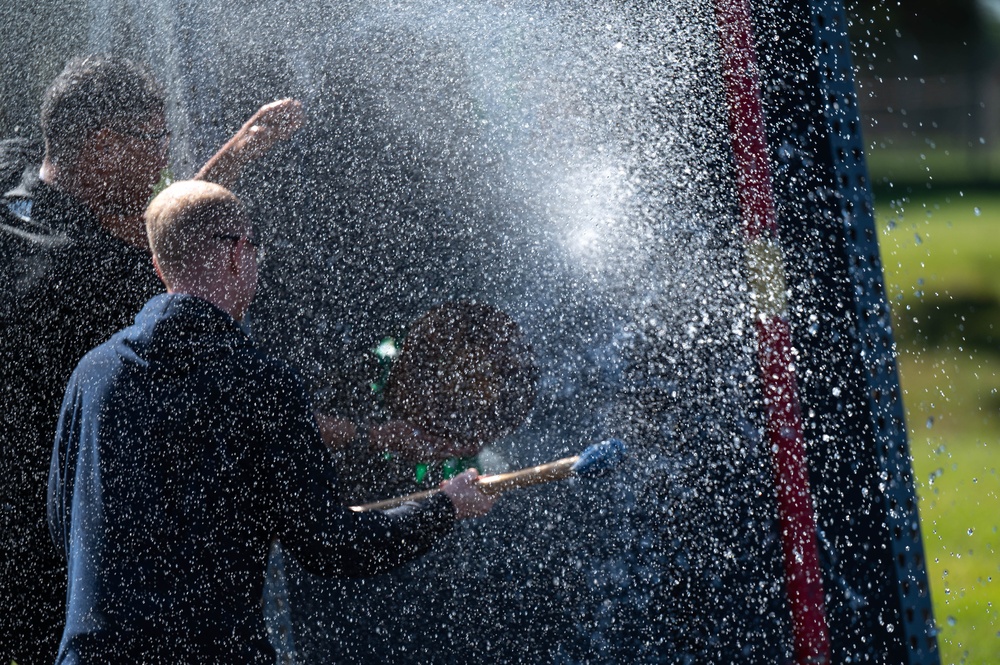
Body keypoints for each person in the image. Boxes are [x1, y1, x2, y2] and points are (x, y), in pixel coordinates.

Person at [47, 180, 494, 663]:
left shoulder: (92, 372)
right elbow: (331, 546)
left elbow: (62, 525)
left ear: (159, 266)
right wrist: (445, 507)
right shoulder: (260, 383)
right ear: (239, 251)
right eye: (255, 249)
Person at [0, 54, 303, 665]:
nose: (164, 160)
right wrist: (372, 435)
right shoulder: (76, 276)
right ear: (105, 144)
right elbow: (171, 249)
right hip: (46, 560)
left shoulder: (17, 171)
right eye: (155, 140)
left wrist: (233, 155)